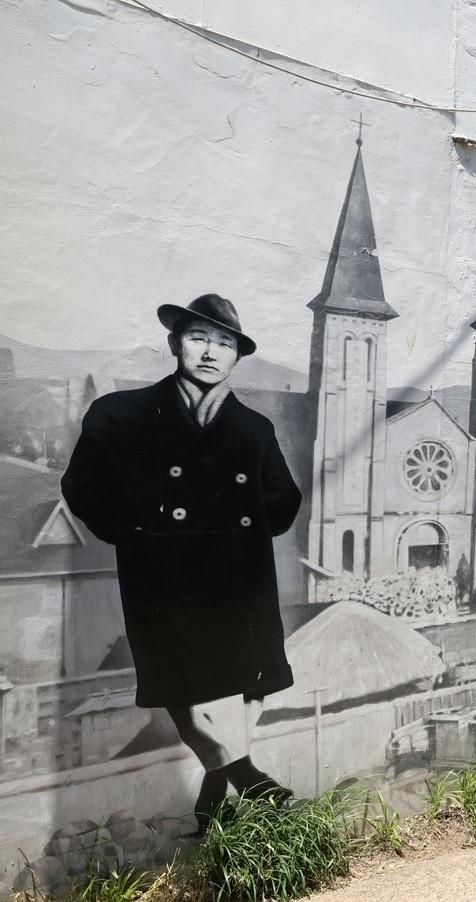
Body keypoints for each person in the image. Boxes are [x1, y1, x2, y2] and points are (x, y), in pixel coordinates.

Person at [62, 294, 302, 832]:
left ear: (237, 355)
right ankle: (253, 783)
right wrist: (138, 535)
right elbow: (81, 487)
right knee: (191, 689)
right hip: (164, 578)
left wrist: (239, 527)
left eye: (225, 343)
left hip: (242, 578)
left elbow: (284, 503)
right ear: (175, 344)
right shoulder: (120, 414)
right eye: (199, 338)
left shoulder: (254, 429)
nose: (211, 352)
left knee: (246, 685)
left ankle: (215, 792)